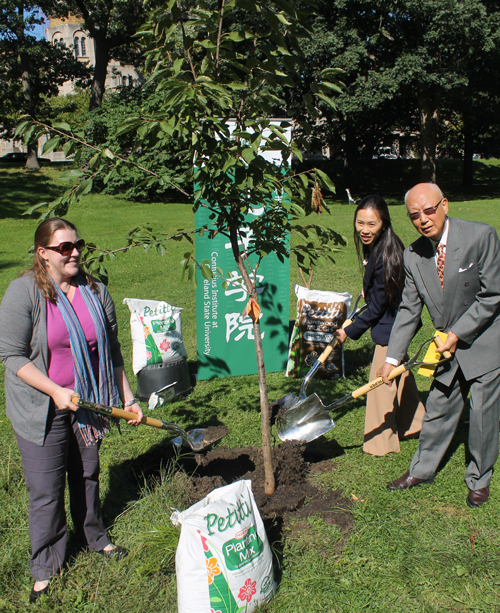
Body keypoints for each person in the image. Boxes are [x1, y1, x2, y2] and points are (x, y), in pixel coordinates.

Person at [0, 218, 143, 603]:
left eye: (77, 244)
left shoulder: (95, 291)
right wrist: (55, 391)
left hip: (89, 402)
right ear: (43, 254)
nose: (75, 251)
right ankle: (46, 566)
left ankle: (94, 537)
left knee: (87, 474)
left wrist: (127, 398)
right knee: (46, 490)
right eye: (64, 247)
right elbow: (11, 355)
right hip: (40, 406)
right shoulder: (24, 292)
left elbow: (111, 351)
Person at [381, 183, 500, 508]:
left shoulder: (480, 236)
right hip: (446, 347)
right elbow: (409, 309)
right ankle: (421, 471)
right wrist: (392, 359)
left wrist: (458, 333)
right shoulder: (413, 254)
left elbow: (492, 296)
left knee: (482, 416)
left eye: (429, 210)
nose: (423, 219)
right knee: (438, 407)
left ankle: (479, 479)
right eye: (415, 215)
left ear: (444, 205)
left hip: (484, 339)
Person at [334, 195, 425, 456]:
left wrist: (348, 331)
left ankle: (380, 444)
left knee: (380, 380)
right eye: (360, 223)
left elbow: (377, 307)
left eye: (371, 224)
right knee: (399, 372)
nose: (364, 229)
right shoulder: (378, 245)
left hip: (394, 323)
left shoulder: (389, 252)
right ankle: (417, 422)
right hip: (390, 315)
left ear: (384, 223)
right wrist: (370, 288)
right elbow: (379, 293)